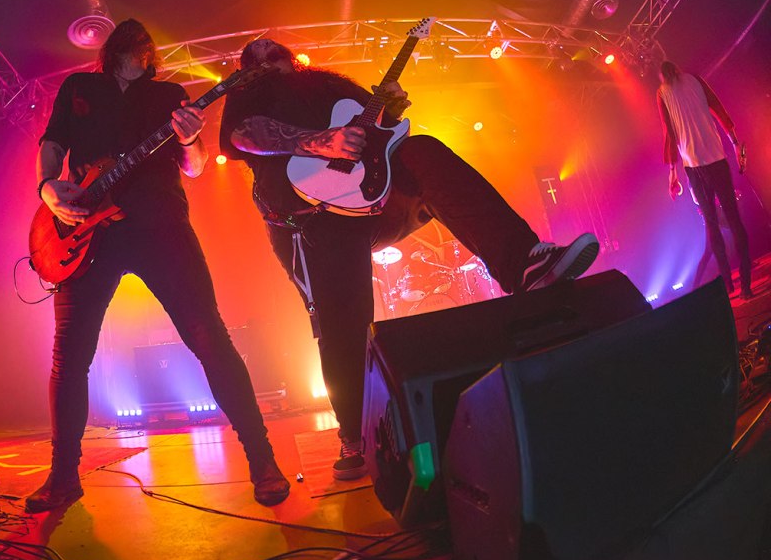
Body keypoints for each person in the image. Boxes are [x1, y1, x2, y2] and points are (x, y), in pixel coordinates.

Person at [219, 39, 599, 480]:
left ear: (292, 57)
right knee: (342, 322)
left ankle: (525, 266)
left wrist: (389, 110)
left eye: (274, 51)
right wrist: (321, 142)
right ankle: (354, 432)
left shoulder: (326, 85)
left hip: (372, 198)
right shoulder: (248, 93)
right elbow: (244, 135)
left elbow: (377, 131)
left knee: (422, 150)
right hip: (310, 220)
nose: (267, 57)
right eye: (256, 56)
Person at [29, 19, 290, 511]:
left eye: (144, 44)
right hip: (87, 231)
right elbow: (53, 143)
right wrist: (47, 188)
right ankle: (62, 477)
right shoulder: (79, 87)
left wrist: (190, 140)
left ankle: (263, 460)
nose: (138, 46)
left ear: (152, 54)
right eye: (129, 42)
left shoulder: (170, 96)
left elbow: (195, 167)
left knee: (210, 338)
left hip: (161, 227)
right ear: (113, 49)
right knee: (69, 358)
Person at [658, 60, 752, 299]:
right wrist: (734, 142)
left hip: (693, 165)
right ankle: (746, 286)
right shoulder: (695, 80)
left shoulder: (662, 93)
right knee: (734, 218)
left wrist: (672, 172)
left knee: (712, 225)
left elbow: (669, 132)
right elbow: (718, 108)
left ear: (662, 76)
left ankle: (728, 285)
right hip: (716, 158)